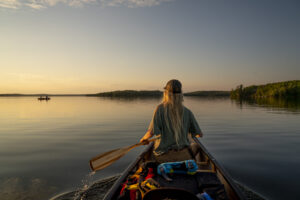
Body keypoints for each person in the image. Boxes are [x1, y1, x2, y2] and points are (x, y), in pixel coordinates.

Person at [140, 79, 203, 163]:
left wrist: (143, 139)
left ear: (166, 93)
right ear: (181, 94)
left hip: (162, 157)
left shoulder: (160, 109)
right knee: (196, 146)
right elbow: (199, 134)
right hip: (184, 157)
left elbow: (150, 133)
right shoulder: (188, 112)